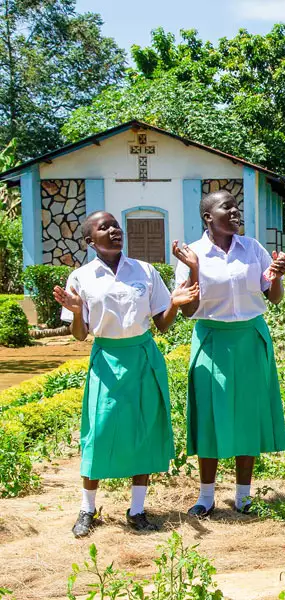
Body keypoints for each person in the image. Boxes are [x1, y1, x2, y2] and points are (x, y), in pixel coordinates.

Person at [54, 211, 199, 537]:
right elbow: (81, 334)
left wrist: (174, 303)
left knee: (143, 431)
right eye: (104, 227)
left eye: (116, 225)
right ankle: (87, 509)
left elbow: (162, 323)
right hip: (106, 360)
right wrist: (77, 312)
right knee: (99, 431)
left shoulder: (145, 271)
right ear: (91, 241)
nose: (114, 230)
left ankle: (137, 510)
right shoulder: (81, 277)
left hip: (143, 358)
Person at [173, 190, 285, 517]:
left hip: (251, 339)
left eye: (237, 207)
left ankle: (243, 496)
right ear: (208, 217)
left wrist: (277, 276)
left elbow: (274, 296)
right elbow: (187, 310)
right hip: (212, 339)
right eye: (228, 207)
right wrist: (194, 270)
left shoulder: (252, 248)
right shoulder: (191, 253)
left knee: (248, 415)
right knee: (210, 415)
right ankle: (206, 496)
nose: (237, 212)